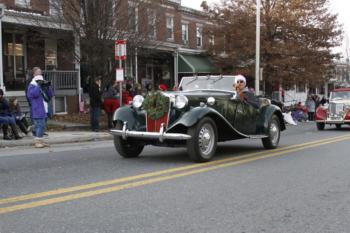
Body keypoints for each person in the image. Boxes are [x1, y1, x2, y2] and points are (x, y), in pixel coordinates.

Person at [27, 75, 53, 148]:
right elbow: (34, 95)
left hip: (44, 109)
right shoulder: (31, 87)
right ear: (36, 81)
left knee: (42, 126)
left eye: (42, 81)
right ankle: (37, 142)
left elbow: (50, 95)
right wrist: (38, 85)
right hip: (37, 109)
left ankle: (40, 141)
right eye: (39, 81)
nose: (41, 82)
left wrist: (48, 87)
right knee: (40, 125)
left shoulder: (42, 87)